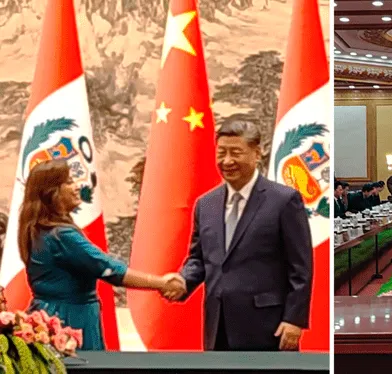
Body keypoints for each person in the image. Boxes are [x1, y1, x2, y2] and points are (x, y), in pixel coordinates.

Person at [166, 121, 313, 351]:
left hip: (268, 327)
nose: (227, 161)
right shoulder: (206, 204)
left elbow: (300, 267)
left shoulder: (284, 201)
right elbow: (198, 258)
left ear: (257, 153)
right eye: (221, 152)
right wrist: (183, 280)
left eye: (236, 153)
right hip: (218, 325)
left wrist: (294, 319)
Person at [17, 160, 185, 350]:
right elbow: (109, 269)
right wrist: (161, 283)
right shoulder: (61, 236)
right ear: (52, 192)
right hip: (69, 321)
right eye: (69, 181)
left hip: (49, 317)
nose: (77, 186)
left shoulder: (38, 230)